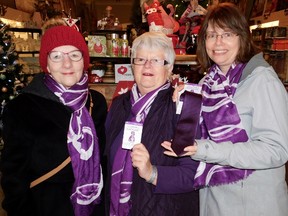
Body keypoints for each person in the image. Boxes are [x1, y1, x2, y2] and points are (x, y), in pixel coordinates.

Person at [162, 3, 288, 216]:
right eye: (211, 35)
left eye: (227, 34)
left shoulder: (261, 81)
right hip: (214, 200)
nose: (218, 43)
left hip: (252, 205)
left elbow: (275, 150)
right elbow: (198, 131)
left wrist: (206, 150)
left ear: (242, 37)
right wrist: (184, 102)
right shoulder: (209, 82)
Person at [0, 24, 107, 216]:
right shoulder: (22, 108)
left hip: (93, 206)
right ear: (47, 65)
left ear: (84, 61)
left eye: (74, 55)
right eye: (57, 56)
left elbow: (103, 160)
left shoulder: (96, 103)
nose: (67, 64)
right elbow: (13, 178)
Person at [105, 31, 199, 216]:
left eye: (156, 60)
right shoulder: (118, 105)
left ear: (169, 67)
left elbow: (193, 175)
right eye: (140, 59)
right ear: (132, 66)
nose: (147, 65)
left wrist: (152, 173)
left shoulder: (183, 106)